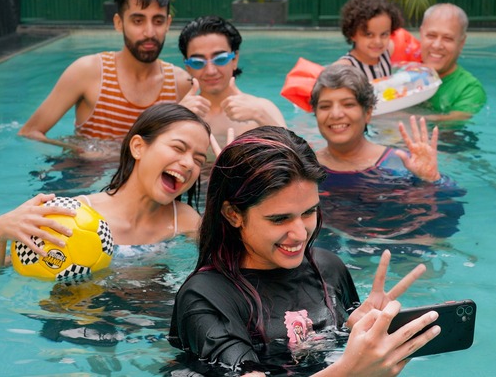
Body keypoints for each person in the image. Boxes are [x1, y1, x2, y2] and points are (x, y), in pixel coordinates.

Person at [169, 126, 441, 376]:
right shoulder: (204, 297)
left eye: (309, 212)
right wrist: (349, 372)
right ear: (233, 214)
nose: (301, 234)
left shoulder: (328, 268)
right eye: (279, 219)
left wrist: (351, 331)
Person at [0, 104, 211, 268]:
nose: (189, 163)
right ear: (138, 147)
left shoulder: (186, 221)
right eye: (178, 148)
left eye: (199, 160)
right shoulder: (74, 215)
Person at [18, 0, 193, 152]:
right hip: (89, 175)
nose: (149, 32)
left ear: (168, 24)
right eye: (138, 21)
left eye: (158, 21)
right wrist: (81, 151)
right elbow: (30, 133)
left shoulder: (180, 84)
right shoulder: (87, 72)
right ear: (118, 23)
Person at [309, 64, 466, 254]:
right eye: (325, 106)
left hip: (399, 251)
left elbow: (452, 213)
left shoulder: (400, 164)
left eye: (348, 104)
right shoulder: (306, 169)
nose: (335, 114)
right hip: (332, 256)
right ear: (316, 114)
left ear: (367, 113)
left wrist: (433, 180)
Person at [178, 16, 286, 144]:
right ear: (188, 67)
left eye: (220, 59)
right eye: (198, 62)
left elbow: (296, 159)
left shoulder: (262, 109)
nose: (210, 71)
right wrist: (177, 118)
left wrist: (260, 116)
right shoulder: (182, 113)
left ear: (234, 59)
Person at [416, 3, 486, 121]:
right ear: (421, 34)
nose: (437, 45)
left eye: (447, 38)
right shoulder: (406, 72)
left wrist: (396, 118)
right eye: (431, 36)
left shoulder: (469, 89)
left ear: (461, 43)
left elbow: (452, 123)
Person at [333, 0, 404, 81]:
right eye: (369, 35)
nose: (378, 42)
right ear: (352, 34)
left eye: (384, 34)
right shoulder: (345, 68)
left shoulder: (387, 51)